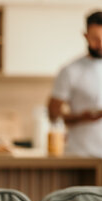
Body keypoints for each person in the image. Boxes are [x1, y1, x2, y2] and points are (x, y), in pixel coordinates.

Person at [48, 11, 102, 157]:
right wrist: (82, 117)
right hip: (81, 154)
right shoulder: (70, 71)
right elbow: (53, 114)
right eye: (95, 39)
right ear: (85, 36)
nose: (100, 44)